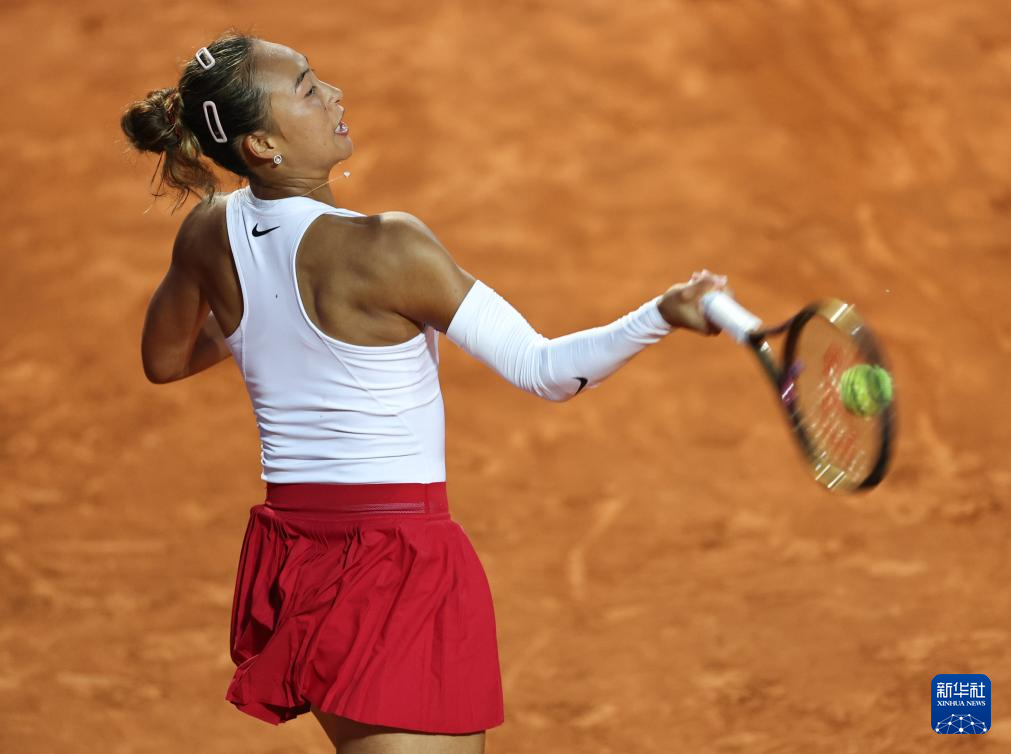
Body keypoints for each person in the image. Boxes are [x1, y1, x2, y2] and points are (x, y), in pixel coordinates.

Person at [120, 29, 728, 754]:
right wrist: (660, 314)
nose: (334, 95)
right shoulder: (387, 248)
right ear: (262, 145)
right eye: (308, 90)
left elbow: (164, 359)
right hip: (393, 565)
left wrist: (258, 320)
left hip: (296, 558)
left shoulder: (208, 230)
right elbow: (544, 370)